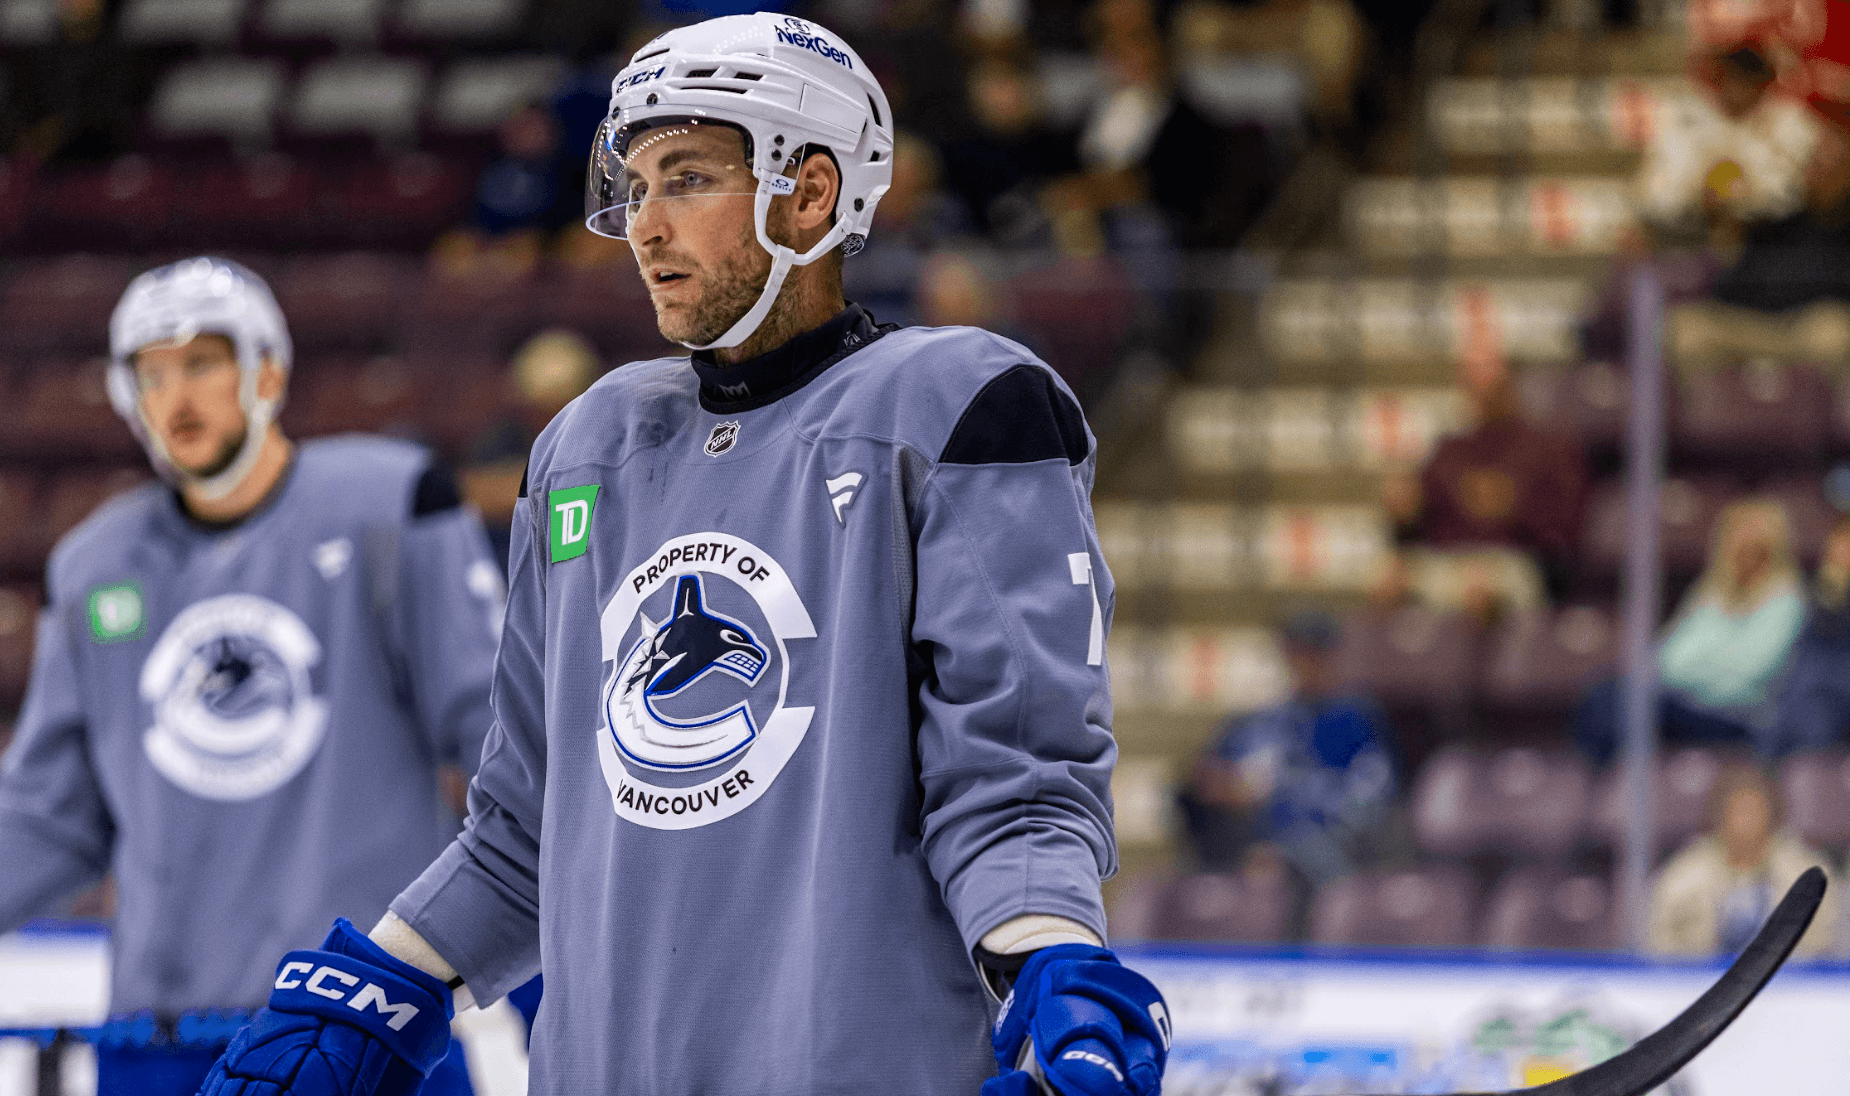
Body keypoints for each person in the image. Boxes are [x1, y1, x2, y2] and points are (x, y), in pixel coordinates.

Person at [199, 14, 1170, 1096]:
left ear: (807, 195)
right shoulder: (586, 448)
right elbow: (526, 826)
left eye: (690, 178)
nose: (644, 227)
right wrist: (380, 982)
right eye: (637, 183)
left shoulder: (955, 407)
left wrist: (1056, 970)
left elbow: (1013, 787)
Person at [0, 258, 504, 1095]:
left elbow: (502, 743)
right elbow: (53, 815)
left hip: (359, 1027)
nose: (175, 396)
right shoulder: (94, 565)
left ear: (267, 370)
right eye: (150, 373)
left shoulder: (390, 505)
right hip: (155, 1041)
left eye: (202, 361)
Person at [1177, 611, 1393, 896]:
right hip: (1243, 850)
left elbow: (1367, 803)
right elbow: (1206, 780)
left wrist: (1270, 793)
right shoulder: (1261, 720)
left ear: (1331, 656)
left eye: (1313, 651)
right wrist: (1220, 786)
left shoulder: (1357, 720)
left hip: (1321, 858)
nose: (1303, 661)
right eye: (1295, 651)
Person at [1577, 498, 1806, 764]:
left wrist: (1689, 671)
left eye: (1753, 546)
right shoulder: (1712, 594)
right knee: (1605, 694)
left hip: (1738, 719)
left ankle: (1623, 784)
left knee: (1635, 704)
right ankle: (1605, 788)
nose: (1742, 551)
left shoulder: (1786, 601)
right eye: (1736, 540)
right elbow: (1665, 657)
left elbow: (1746, 674)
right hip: (1685, 705)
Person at [1384, 348, 1589, 600]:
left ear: (1512, 384)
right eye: (1474, 381)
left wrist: (1515, 508)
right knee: (1396, 582)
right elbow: (1415, 528)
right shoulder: (1449, 451)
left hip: (1516, 567)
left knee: (1490, 589)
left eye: (1493, 381)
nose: (1483, 391)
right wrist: (1405, 514)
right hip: (1450, 566)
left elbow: (1565, 537)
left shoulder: (1546, 450)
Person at [1648, 764, 1837, 957]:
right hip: (1702, 980)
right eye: (1738, 811)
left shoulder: (1804, 873)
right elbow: (1663, 944)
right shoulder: (1684, 876)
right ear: (1719, 817)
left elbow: (1821, 944)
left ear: (1773, 815)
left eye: (1754, 811)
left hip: (1788, 979)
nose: (1746, 821)